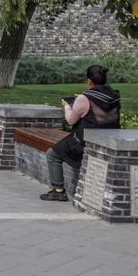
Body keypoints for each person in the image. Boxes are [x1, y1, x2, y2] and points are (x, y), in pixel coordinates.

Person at [40, 65, 120, 201]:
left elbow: (71, 120)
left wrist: (67, 106)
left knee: (52, 154)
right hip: (109, 138)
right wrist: (81, 100)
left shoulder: (84, 98)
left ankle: (58, 190)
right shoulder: (114, 95)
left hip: (84, 141)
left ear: (88, 81)